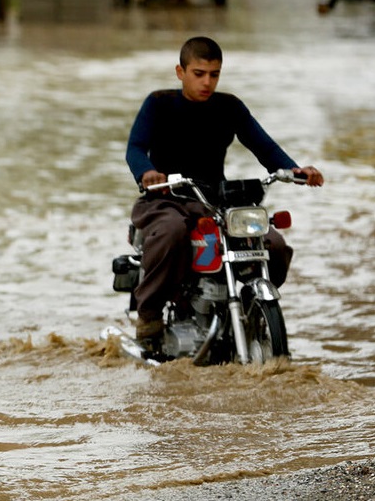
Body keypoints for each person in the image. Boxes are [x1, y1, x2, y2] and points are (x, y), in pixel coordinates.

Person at [125, 36, 324, 346]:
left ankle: (250, 306)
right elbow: (135, 147)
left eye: (214, 74)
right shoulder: (159, 103)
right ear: (181, 72)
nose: (207, 82)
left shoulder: (229, 107)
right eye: (199, 73)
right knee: (172, 232)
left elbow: (264, 146)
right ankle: (149, 316)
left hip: (214, 201)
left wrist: (294, 169)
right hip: (166, 199)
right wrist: (147, 172)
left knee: (273, 244)